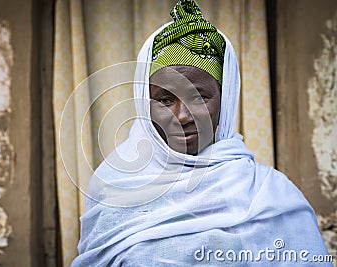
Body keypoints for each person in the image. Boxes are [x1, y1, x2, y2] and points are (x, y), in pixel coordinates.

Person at [71, 0, 331, 266]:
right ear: (143, 102)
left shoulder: (270, 195)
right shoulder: (114, 187)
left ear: (225, 100)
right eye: (164, 100)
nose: (182, 116)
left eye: (199, 97)